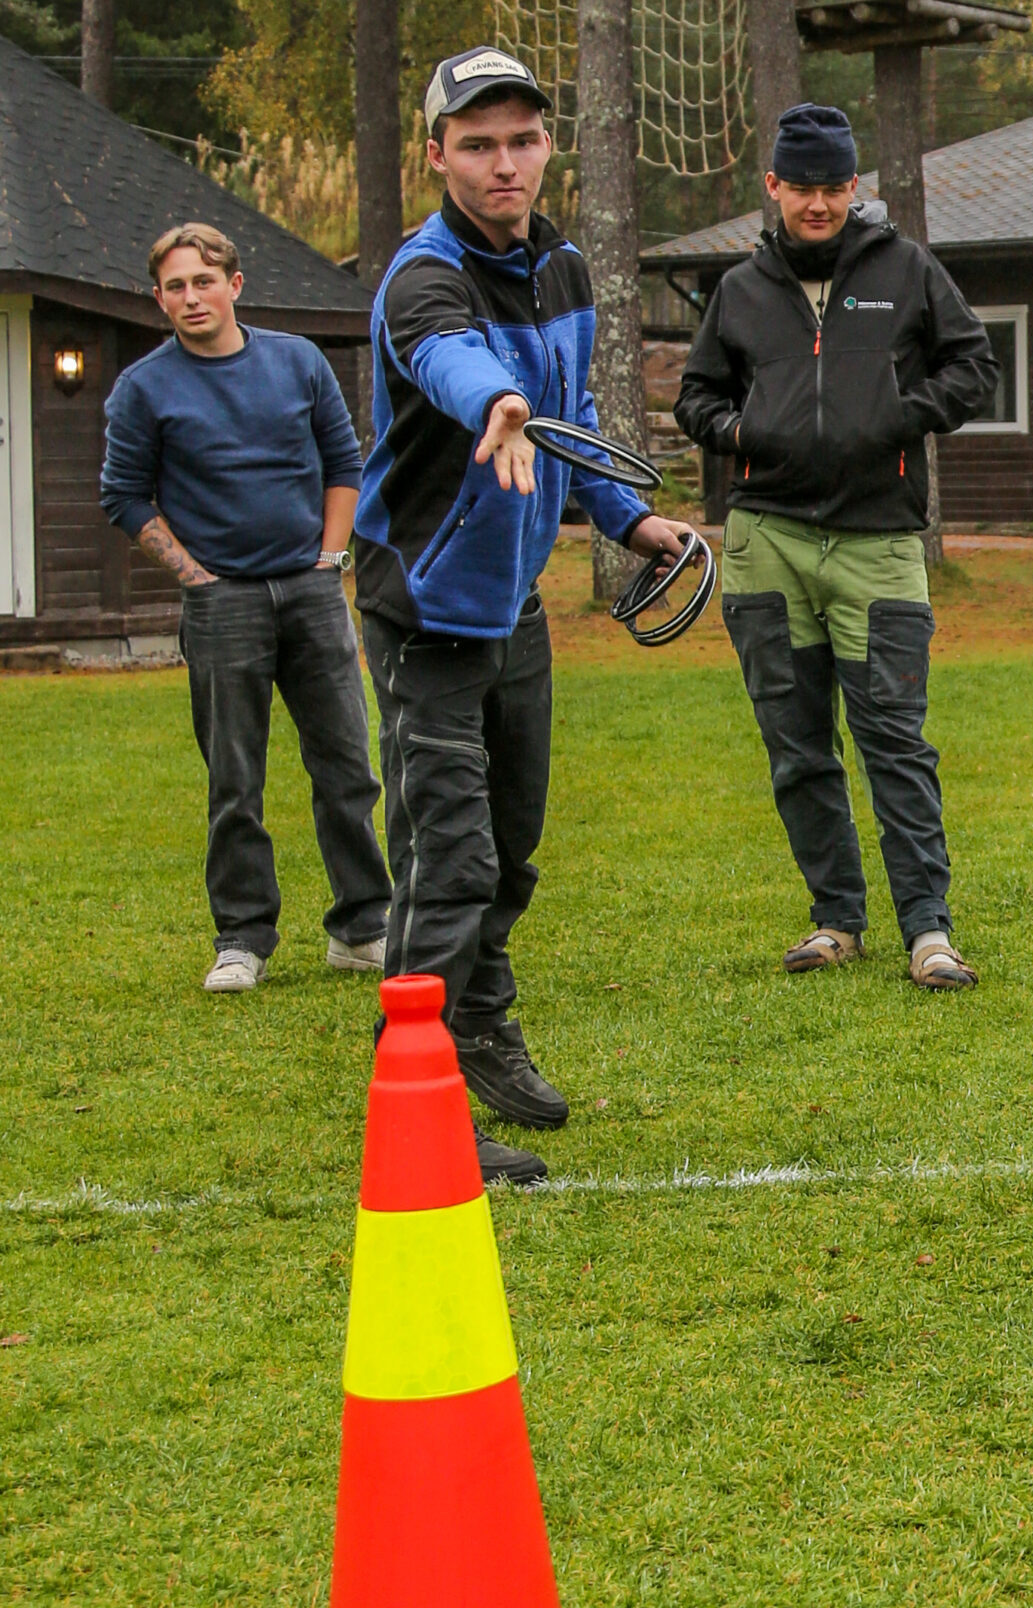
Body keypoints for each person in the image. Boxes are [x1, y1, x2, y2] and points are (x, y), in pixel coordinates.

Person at [355, 47, 693, 1184]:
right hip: (424, 608)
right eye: (477, 144)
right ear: (437, 155)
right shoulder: (422, 276)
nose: (503, 163)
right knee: (447, 858)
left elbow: (569, 410)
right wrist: (494, 400)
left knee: (512, 846)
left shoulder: (562, 265)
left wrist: (627, 518)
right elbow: (452, 360)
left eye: (521, 140)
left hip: (511, 604)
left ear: (548, 146)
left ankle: (483, 1026)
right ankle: (417, 1095)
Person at [676, 104, 998, 989]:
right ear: (773, 186)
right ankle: (836, 921)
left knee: (894, 740)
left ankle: (928, 932)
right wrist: (743, 431)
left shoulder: (907, 269)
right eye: (800, 187)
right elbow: (696, 397)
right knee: (798, 746)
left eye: (832, 188)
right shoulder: (740, 289)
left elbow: (974, 367)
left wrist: (896, 415)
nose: (817, 204)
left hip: (878, 542)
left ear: (854, 187)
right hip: (767, 541)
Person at [100, 222, 393, 995]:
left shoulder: (297, 361)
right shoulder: (144, 388)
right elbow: (123, 495)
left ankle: (363, 927)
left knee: (348, 767)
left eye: (204, 281)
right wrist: (194, 576)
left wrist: (331, 560)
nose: (191, 297)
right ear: (158, 299)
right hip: (221, 603)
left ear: (234, 285)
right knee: (235, 781)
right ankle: (242, 939)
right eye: (175, 286)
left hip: (311, 591)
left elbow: (344, 463)